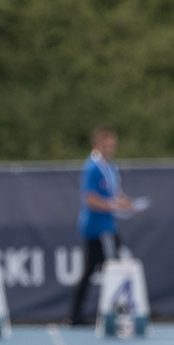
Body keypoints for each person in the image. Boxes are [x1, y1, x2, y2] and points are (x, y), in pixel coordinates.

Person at [67, 126, 132, 327]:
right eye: (107, 144)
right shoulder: (93, 167)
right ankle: (114, 311)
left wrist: (127, 203)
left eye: (113, 144)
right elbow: (90, 199)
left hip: (108, 225)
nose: (110, 148)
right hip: (99, 228)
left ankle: (78, 313)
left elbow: (114, 194)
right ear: (98, 144)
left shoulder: (110, 167)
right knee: (113, 268)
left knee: (91, 271)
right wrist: (113, 205)